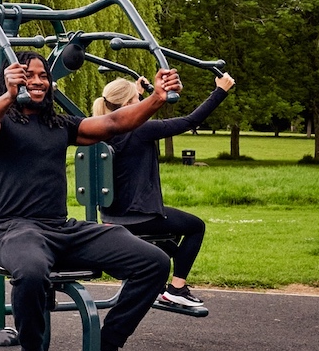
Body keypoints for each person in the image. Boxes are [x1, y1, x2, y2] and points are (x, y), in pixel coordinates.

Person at [0, 52, 182, 351]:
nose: (38, 81)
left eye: (43, 76)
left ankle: (105, 348)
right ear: (11, 79)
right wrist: (7, 96)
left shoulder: (59, 126)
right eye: (28, 75)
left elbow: (115, 124)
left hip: (61, 228)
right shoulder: (0, 124)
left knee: (154, 262)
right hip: (15, 230)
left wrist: (157, 98)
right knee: (32, 270)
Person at [93, 72, 236, 308]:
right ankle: (177, 289)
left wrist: (138, 92)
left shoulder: (100, 127)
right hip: (139, 215)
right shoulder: (141, 131)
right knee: (195, 226)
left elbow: (132, 114)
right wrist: (220, 91)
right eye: (136, 101)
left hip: (110, 215)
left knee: (171, 234)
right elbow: (190, 121)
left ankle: (154, 280)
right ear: (129, 104)